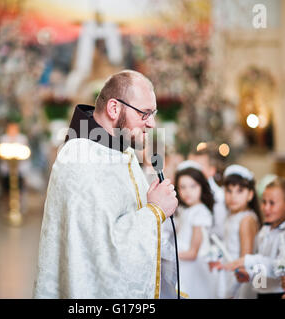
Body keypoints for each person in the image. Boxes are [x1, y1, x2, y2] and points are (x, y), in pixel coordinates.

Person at [33, 70, 178, 298]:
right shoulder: (80, 160)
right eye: (145, 114)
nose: (152, 123)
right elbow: (103, 255)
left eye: (154, 113)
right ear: (113, 109)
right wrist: (156, 211)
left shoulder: (120, 150)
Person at [223, 178, 285, 299]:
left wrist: (248, 260)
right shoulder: (266, 229)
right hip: (263, 292)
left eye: (272, 203)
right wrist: (251, 275)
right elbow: (264, 266)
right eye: (264, 202)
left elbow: (283, 267)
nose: (266, 208)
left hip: (280, 293)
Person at [211, 164, 261, 298]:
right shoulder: (231, 215)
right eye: (229, 190)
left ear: (250, 195)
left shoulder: (246, 219)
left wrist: (233, 289)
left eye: (239, 191)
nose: (233, 196)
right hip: (229, 271)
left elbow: (246, 258)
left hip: (239, 276)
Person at [170, 160, 215, 298]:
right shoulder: (185, 210)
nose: (187, 191)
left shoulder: (200, 212)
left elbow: (193, 253)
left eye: (193, 186)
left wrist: (167, 254)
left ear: (201, 186)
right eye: (182, 187)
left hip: (192, 268)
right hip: (182, 265)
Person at [188, 147, 228, 240]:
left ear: (212, 170)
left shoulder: (219, 197)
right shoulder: (185, 193)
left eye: (198, 167)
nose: (191, 172)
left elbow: (220, 231)